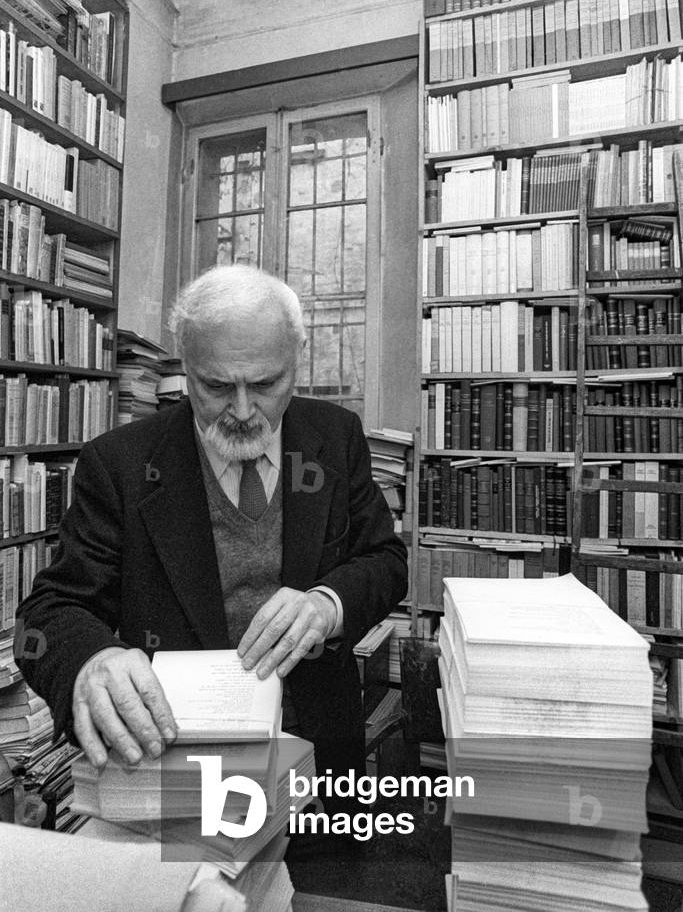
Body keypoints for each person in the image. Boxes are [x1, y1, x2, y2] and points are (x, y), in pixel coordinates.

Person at [15, 265, 408, 792]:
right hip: (177, 764)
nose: (244, 411)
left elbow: (385, 561)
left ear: (296, 361)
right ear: (186, 367)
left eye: (267, 384)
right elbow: (49, 612)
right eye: (217, 386)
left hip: (321, 757)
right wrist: (93, 661)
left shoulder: (336, 437)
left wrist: (326, 604)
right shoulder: (120, 464)